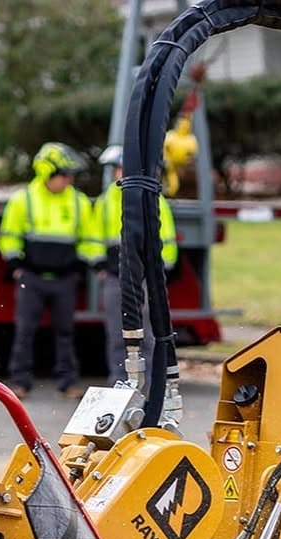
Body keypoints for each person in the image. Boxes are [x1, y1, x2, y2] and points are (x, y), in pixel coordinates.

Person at [0, 142, 95, 399]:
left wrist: (80, 267)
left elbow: (90, 238)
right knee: (25, 331)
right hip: (32, 277)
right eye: (64, 174)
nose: (68, 180)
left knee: (66, 332)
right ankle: (20, 383)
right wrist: (17, 266)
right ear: (47, 173)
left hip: (64, 279)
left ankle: (68, 383)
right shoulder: (23, 200)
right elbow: (8, 237)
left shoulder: (78, 201)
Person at [93, 143, 178, 385]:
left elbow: (167, 238)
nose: (119, 173)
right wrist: (99, 265)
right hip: (114, 276)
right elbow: (93, 238)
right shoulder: (105, 201)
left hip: (144, 279)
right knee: (116, 335)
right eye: (116, 169)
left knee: (149, 336)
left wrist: (163, 270)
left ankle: (150, 384)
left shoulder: (153, 198)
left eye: (121, 168)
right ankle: (119, 383)